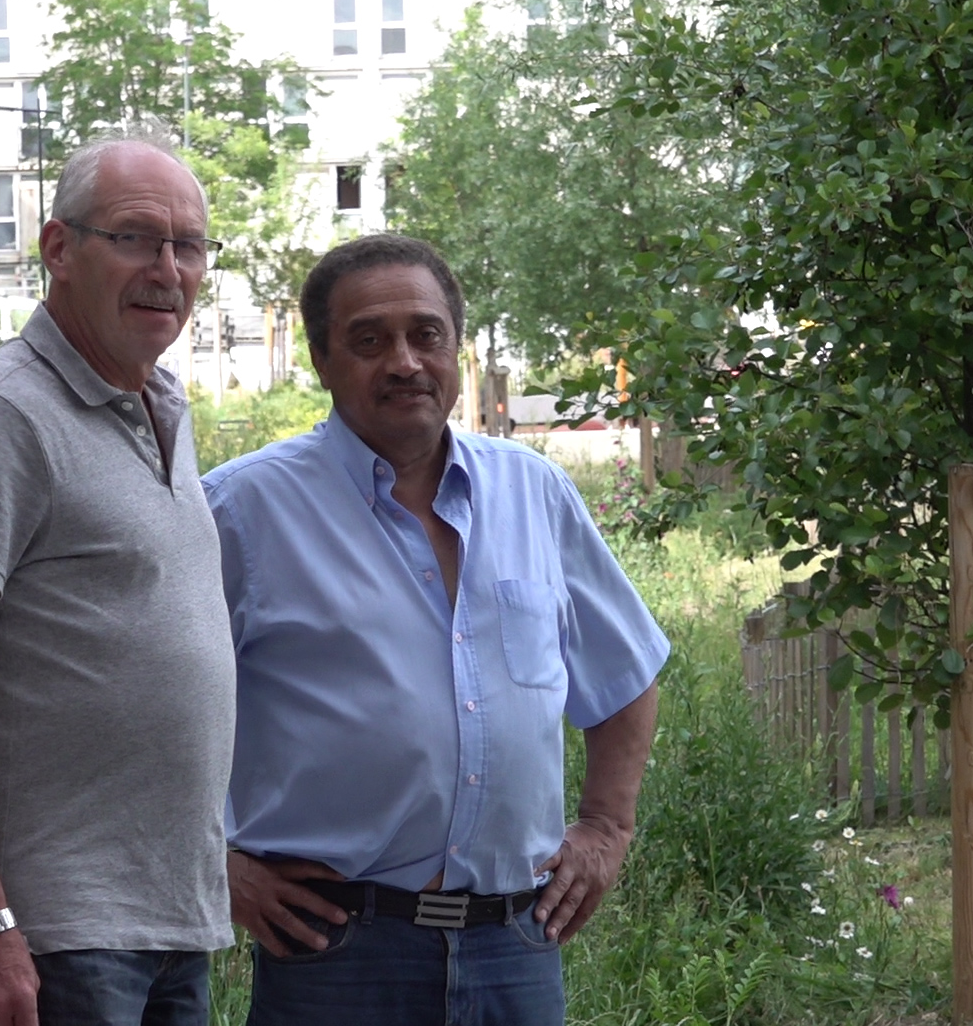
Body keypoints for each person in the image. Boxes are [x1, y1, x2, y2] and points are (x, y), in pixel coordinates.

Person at [202, 234, 669, 1025]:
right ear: (321, 360)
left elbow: (624, 676)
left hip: (515, 943)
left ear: (457, 348)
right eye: (369, 340)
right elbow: (146, 709)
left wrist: (606, 827)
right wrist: (213, 863)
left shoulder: (534, 492)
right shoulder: (240, 511)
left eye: (426, 334)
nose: (404, 362)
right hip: (335, 952)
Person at [0, 132, 235, 1026]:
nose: (167, 270)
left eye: (188, 246)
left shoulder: (161, 402)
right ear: (58, 249)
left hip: (171, 920)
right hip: (61, 937)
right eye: (135, 238)